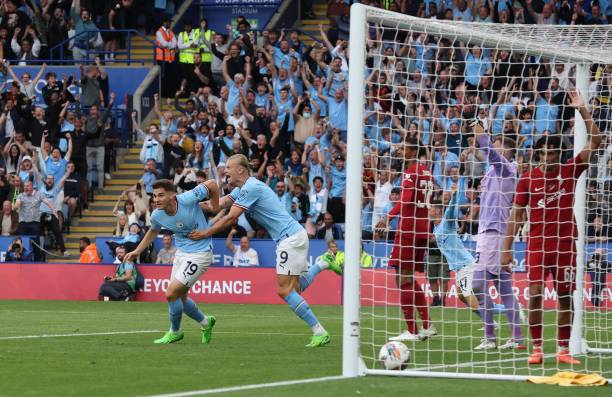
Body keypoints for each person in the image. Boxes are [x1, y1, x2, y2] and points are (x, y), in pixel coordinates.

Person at [191, 154, 341, 347]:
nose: (224, 171)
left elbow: (230, 218)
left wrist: (205, 233)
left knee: (285, 291)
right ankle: (324, 262)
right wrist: (189, 202)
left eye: (228, 167)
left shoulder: (251, 188)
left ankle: (319, 331)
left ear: (241, 170)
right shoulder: (242, 190)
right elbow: (217, 205)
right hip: (293, 236)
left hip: (290, 239)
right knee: (296, 288)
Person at [502, 91, 602, 365]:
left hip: (565, 243)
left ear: (560, 154)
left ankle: (563, 350)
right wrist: (506, 249)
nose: (547, 157)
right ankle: (537, 348)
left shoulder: (569, 170)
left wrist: (582, 110)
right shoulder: (527, 179)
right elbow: (516, 215)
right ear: (537, 155)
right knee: (534, 294)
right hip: (536, 244)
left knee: (565, 296)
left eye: (552, 152)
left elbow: (597, 140)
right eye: (543, 153)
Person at [124, 179, 219, 344]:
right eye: (154, 196)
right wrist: (137, 251)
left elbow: (212, 184)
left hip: (200, 253)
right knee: (180, 298)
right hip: (181, 253)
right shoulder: (157, 214)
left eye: (161, 195)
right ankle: (205, 322)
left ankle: (175, 331)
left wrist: (215, 207)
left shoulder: (188, 198)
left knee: (171, 294)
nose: (156, 199)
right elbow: (153, 231)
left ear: (172, 195)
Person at [471, 120, 525, 350]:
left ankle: (490, 337)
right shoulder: (493, 170)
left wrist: (478, 129)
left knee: (476, 285)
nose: (493, 145)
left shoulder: (507, 168)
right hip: (491, 232)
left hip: (494, 233)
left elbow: (487, 148)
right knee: (504, 287)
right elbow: (485, 150)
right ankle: (517, 337)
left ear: (505, 149)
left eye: (497, 143)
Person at [376, 138, 435, 342]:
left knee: (402, 278)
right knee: (407, 277)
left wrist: (388, 217)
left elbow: (407, 197)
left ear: (412, 151)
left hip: (409, 228)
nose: (400, 151)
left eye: (403, 148)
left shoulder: (411, 172)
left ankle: (412, 330)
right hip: (422, 228)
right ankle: (427, 325)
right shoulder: (427, 172)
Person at [430, 188, 487, 347]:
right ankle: (507, 310)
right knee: (462, 296)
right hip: (459, 268)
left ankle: (489, 325)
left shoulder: (446, 222)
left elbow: (451, 209)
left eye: (431, 209)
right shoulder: (435, 228)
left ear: (437, 211)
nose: (429, 211)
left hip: (466, 264)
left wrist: (454, 196)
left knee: (467, 294)